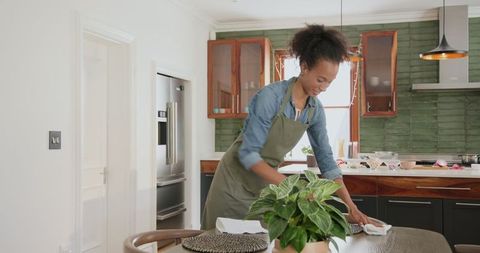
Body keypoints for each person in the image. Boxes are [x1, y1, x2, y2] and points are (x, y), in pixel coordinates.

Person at [202, 24, 373, 230]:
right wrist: (292, 189)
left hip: (265, 187)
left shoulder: (314, 110)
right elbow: (248, 155)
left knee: (263, 243)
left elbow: (327, 163)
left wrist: (351, 206)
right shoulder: (270, 97)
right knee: (221, 243)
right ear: (304, 67)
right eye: (320, 79)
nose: (324, 88)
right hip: (232, 184)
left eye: (329, 82)